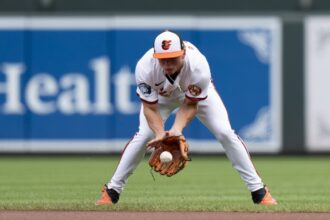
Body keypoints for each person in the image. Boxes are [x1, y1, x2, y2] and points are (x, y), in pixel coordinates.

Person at [96, 30, 277, 205]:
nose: (167, 64)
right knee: (144, 136)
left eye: (173, 58)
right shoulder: (145, 67)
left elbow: (190, 104)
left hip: (192, 96)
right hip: (161, 99)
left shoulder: (198, 66)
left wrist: (176, 130)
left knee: (225, 133)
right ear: (156, 57)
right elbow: (150, 108)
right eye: (163, 59)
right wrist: (160, 133)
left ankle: (259, 191)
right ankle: (112, 191)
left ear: (182, 53)